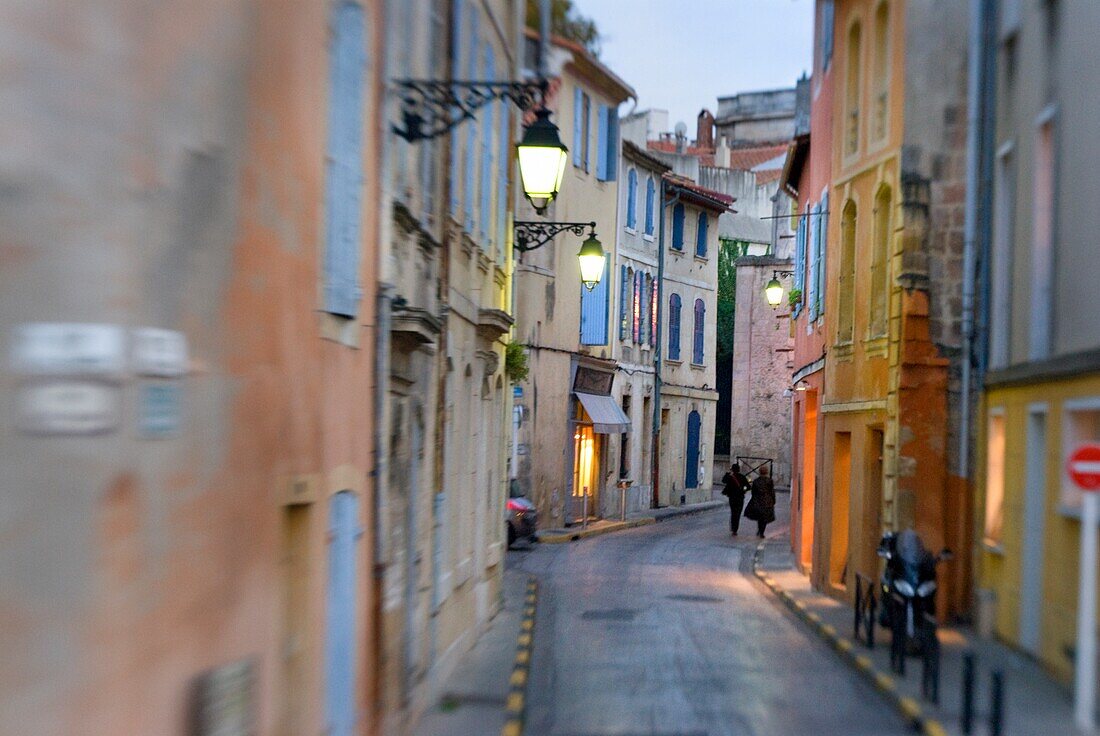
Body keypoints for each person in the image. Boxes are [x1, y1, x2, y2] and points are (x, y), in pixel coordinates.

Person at [747, 465, 776, 538]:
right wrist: (773, 500)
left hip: (758, 500)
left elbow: (753, 492)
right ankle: (761, 531)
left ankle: (760, 530)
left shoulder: (756, 481)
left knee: (760, 516)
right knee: (764, 517)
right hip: (767, 501)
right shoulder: (769, 481)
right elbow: (772, 491)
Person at [720, 463, 749, 536]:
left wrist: (727, 473)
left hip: (732, 497)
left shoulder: (730, 477)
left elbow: (723, 481)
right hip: (740, 498)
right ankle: (735, 528)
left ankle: (733, 527)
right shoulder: (742, 477)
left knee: (733, 512)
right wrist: (743, 490)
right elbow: (748, 486)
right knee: (738, 513)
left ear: (732, 469)